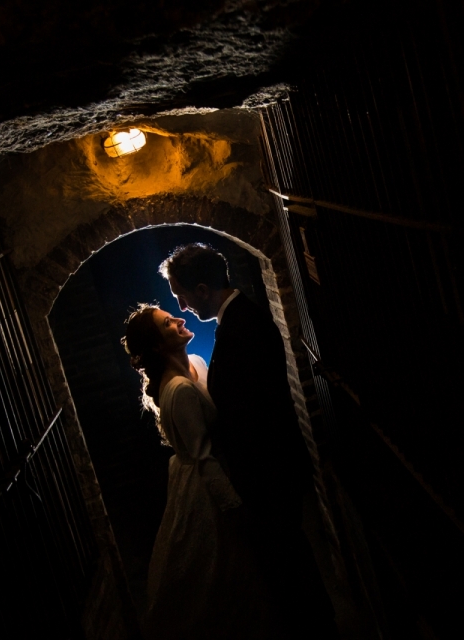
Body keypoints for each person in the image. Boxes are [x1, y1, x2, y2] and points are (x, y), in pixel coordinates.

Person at [160, 243, 339, 638]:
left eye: (182, 294)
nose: (182, 305)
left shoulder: (243, 326)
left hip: (268, 476)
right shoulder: (238, 320)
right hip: (268, 474)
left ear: (203, 289)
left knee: (291, 567)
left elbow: (255, 416)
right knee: (291, 564)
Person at [122, 303, 280, 640]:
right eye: (168, 323)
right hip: (209, 489)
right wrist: (235, 508)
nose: (179, 318)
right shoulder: (177, 391)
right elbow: (204, 460)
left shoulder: (194, 363)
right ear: (158, 346)